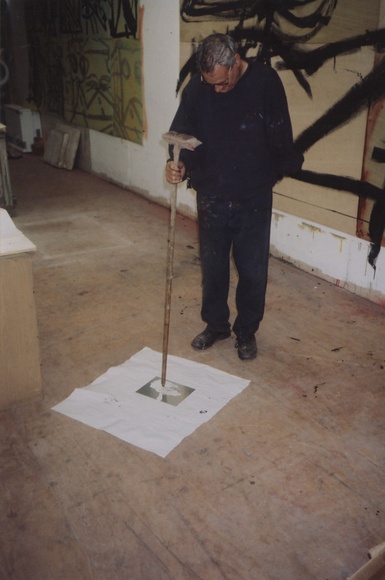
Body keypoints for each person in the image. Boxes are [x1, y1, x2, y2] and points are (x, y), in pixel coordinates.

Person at [165, 33, 303, 360]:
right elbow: (183, 138)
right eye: (209, 82)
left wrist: (275, 170)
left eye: (222, 83)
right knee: (213, 268)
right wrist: (179, 166)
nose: (217, 89)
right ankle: (216, 325)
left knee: (253, 271)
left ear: (236, 61)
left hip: (253, 196)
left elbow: (281, 134)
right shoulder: (197, 90)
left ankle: (246, 331)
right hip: (211, 194)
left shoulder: (265, 82)